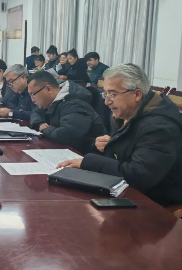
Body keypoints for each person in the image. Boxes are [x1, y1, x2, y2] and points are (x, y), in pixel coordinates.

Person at [58, 64, 182, 206]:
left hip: (153, 204)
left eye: (113, 94)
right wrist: (104, 146)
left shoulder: (159, 128)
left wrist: (90, 162)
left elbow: (139, 175)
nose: (106, 101)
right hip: (125, 192)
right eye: (105, 94)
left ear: (137, 94)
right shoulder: (129, 114)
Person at [29, 71, 106, 154]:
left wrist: (45, 129)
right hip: (67, 152)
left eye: (33, 94)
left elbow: (68, 135)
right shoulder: (50, 101)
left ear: (48, 89)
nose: (32, 100)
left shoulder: (75, 104)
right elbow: (35, 113)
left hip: (87, 154)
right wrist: (40, 123)